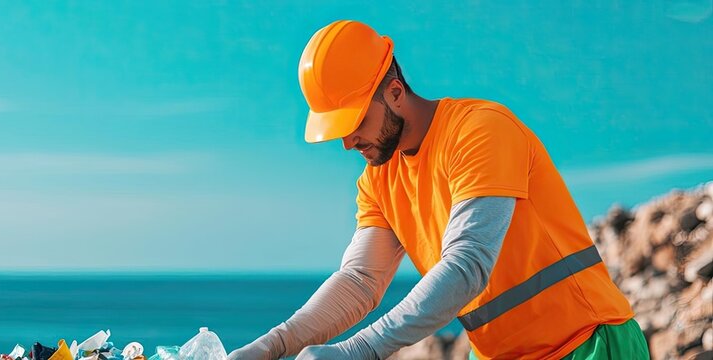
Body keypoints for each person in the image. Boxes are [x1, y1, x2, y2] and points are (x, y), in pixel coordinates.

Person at [228, 20, 650, 360]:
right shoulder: (378, 179)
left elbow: (468, 264)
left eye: (354, 122)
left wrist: (360, 350)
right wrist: (273, 345)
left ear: (395, 91)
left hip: (587, 344)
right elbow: (359, 281)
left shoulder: (480, 130)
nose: (347, 142)